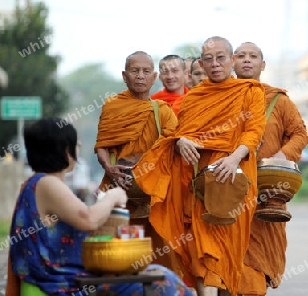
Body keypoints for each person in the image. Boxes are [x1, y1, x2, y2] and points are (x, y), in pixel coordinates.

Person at [132, 36, 266, 296]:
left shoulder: (250, 91)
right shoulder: (194, 99)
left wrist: (235, 157)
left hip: (236, 178)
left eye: (221, 58)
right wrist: (181, 141)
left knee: (231, 247)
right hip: (199, 181)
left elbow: (254, 130)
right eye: (208, 59)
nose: (215, 64)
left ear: (232, 60)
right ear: (202, 65)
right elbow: (177, 134)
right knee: (199, 246)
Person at [6, 118, 194, 296]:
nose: (78, 147)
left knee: (156, 271)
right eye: (75, 144)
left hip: (63, 277)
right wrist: (113, 196)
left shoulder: (38, 183)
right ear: (64, 151)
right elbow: (88, 219)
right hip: (60, 282)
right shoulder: (47, 184)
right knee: (163, 280)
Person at [233, 42, 308, 295]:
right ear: (232, 62)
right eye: (241, 56)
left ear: (262, 65)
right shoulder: (221, 97)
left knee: (259, 257)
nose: (247, 60)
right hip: (230, 188)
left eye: (253, 56)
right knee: (230, 255)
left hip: (268, 190)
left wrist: (281, 155)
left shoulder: (278, 100)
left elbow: (299, 133)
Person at [94, 51, 180, 271]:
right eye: (135, 71)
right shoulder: (113, 106)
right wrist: (108, 167)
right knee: (119, 258)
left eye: (146, 71)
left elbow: (173, 146)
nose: (140, 76)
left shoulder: (163, 111)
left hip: (156, 196)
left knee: (161, 257)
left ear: (154, 77)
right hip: (119, 191)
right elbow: (102, 144)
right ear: (125, 75)